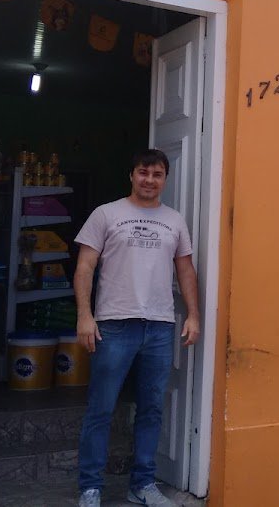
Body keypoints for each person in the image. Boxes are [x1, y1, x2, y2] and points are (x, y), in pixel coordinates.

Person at [73, 149, 200, 507]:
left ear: (165, 179)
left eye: (157, 174)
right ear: (131, 175)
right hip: (113, 325)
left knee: (151, 409)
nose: (149, 180)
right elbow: (85, 267)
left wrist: (193, 315)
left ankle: (142, 485)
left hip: (159, 326)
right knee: (101, 408)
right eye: (143, 172)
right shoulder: (106, 214)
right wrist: (84, 315)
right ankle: (90, 488)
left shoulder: (174, 220)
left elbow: (185, 270)